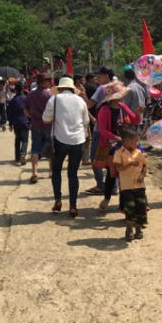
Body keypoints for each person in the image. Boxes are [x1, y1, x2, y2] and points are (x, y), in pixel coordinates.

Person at [42, 77, 90, 218]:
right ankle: (73, 206)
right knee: (73, 174)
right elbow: (86, 121)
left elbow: (45, 118)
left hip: (60, 140)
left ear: (60, 88)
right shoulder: (80, 101)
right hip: (78, 140)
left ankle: (58, 199)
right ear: (72, 88)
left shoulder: (54, 99)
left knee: (56, 171)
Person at [96, 81, 140, 210]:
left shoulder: (122, 106)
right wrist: (117, 138)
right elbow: (103, 131)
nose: (123, 96)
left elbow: (135, 120)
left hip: (125, 145)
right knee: (112, 174)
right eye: (121, 94)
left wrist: (138, 113)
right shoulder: (105, 110)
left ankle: (123, 204)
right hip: (111, 147)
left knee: (125, 174)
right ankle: (107, 197)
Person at [112, 126, 148, 241]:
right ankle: (129, 230)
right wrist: (130, 164)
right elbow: (118, 168)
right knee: (130, 208)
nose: (138, 143)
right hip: (127, 187)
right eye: (136, 141)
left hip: (139, 186)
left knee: (141, 208)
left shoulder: (139, 152)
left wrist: (142, 175)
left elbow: (145, 166)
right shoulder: (119, 153)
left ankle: (138, 229)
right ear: (127, 141)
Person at [86, 66, 115, 195]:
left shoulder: (102, 88)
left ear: (106, 76)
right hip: (113, 128)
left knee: (94, 157)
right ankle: (113, 186)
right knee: (112, 157)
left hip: (100, 128)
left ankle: (100, 185)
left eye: (100, 76)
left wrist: (81, 97)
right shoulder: (118, 87)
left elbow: (90, 104)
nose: (97, 78)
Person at [24, 73, 52, 183]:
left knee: (35, 149)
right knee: (50, 148)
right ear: (43, 82)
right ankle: (51, 171)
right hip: (48, 125)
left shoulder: (31, 94)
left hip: (35, 125)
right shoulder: (50, 94)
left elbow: (25, 110)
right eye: (48, 80)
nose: (49, 82)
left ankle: (34, 172)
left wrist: (32, 117)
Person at [6, 83, 30, 165]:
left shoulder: (13, 100)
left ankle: (17, 157)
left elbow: (10, 113)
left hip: (16, 123)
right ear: (22, 89)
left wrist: (10, 124)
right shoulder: (26, 98)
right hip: (25, 121)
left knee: (17, 139)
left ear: (15, 90)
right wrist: (30, 121)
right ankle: (23, 154)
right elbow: (29, 110)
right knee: (25, 140)